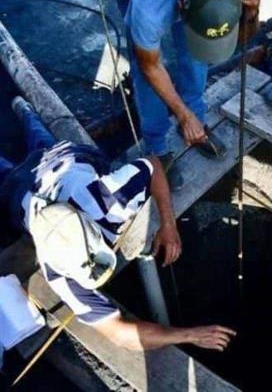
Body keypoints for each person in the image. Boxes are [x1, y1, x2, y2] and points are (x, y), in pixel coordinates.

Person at [0, 97, 235, 351]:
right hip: (20, 189)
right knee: (30, 148)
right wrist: (189, 336)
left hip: (58, 160)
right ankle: (25, 113)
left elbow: (154, 166)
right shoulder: (59, 271)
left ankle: (25, 110)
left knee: (39, 142)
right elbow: (122, 335)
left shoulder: (106, 201)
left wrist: (169, 225)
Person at [100, 0, 262, 190]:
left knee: (195, 53)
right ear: (179, 7)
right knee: (145, 64)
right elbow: (150, 66)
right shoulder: (151, 9)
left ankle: (196, 121)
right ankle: (157, 148)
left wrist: (252, 11)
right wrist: (180, 112)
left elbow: (245, 36)